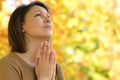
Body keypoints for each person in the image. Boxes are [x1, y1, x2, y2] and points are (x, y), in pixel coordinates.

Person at [0, 1, 65, 80]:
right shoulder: (8, 64)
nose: (48, 20)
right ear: (22, 26)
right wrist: (44, 77)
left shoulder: (56, 67)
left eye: (49, 16)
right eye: (38, 15)